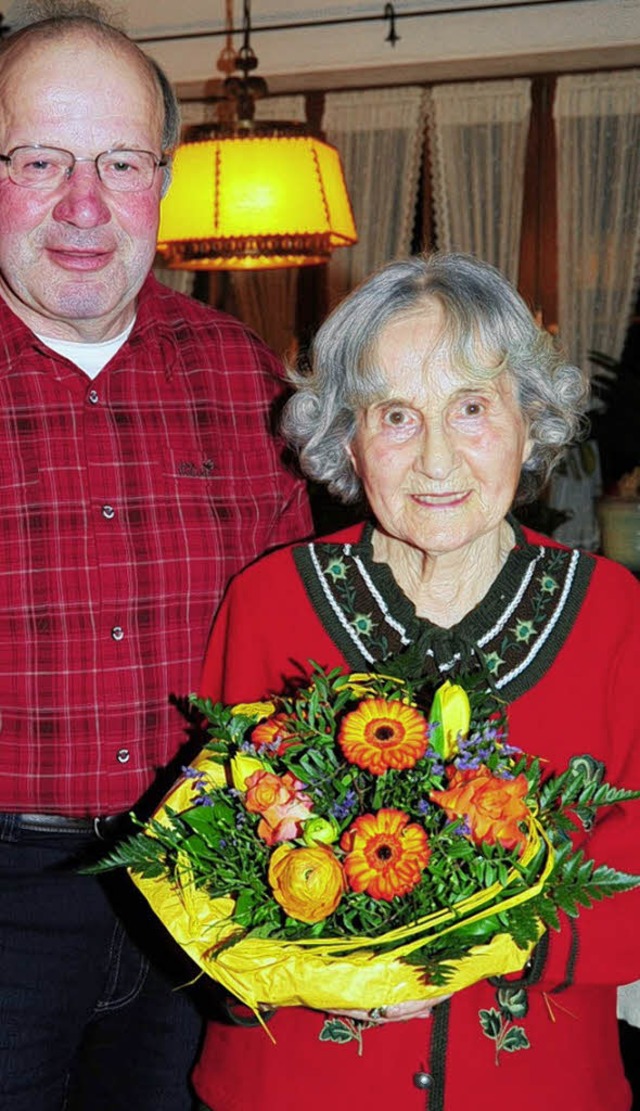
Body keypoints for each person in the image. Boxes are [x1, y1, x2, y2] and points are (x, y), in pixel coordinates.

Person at [192, 252, 640, 1111]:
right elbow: (209, 860)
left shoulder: (614, 615)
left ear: (529, 420)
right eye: (396, 416)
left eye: (471, 408)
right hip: (293, 1089)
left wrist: (489, 939)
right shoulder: (270, 602)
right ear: (346, 438)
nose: (436, 457)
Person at [0, 4, 311, 1111]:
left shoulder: (244, 375)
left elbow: (300, 634)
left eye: (120, 161)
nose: (84, 204)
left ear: (161, 183)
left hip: (207, 874)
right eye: (41, 159)